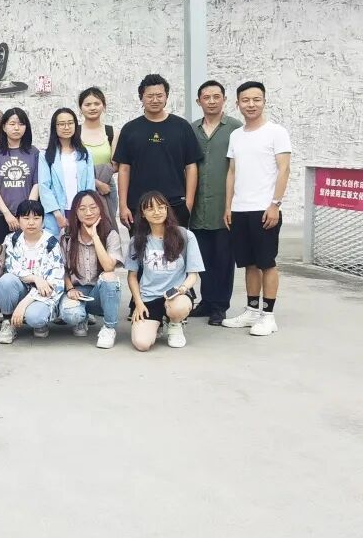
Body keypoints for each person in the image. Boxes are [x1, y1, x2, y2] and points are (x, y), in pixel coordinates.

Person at [221, 81, 292, 337]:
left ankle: (268, 315)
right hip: (240, 210)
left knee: (266, 263)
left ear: (264, 101)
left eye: (256, 99)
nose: (251, 104)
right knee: (249, 264)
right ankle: (252, 311)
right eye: (245, 100)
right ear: (238, 104)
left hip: (265, 209)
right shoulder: (236, 135)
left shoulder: (276, 132)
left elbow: (284, 169)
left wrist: (275, 204)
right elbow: (232, 172)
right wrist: (228, 206)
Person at [113, 74, 203, 229]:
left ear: (166, 97)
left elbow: (191, 167)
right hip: (139, 206)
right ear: (141, 97)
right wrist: (123, 206)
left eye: (159, 95)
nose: (155, 100)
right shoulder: (130, 129)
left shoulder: (182, 126)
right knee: (141, 244)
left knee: (176, 245)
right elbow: (124, 169)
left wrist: (188, 204)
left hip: (175, 204)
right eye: (150, 96)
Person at [189, 80, 242, 325]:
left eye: (216, 96)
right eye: (206, 97)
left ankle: (220, 306)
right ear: (198, 101)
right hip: (198, 207)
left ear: (224, 99)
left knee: (223, 260)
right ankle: (207, 302)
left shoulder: (236, 128)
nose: (211, 101)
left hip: (224, 206)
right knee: (202, 258)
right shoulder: (191, 129)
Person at [125, 191, 205, 351]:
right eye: (150, 209)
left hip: (176, 296)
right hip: (148, 297)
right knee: (142, 344)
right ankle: (159, 323)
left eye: (161, 207)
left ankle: (175, 324)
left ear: (167, 209)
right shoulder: (137, 240)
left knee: (179, 307)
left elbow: (193, 274)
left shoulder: (185, 236)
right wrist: (138, 303)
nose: (157, 212)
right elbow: (132, 276)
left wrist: (182, 289)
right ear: (143, 213)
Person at [58, 191, 123, 348]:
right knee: (72, 315)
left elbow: (108, 267)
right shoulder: (67, 234)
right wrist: (70, 288)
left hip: (100, 292)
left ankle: (109, 328)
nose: (88, 212)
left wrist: (95, 236)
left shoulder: (110, 234)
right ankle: (82, 317)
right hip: (77, 290)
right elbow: (61, 267)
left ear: (100, 209)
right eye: (82, 209)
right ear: (75, 212)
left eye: (93, 207)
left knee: (109, 276)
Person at [0, 200, 64, 343]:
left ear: (43, 221)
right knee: (6, 280)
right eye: (26, 218)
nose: (31, 223)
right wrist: (35, 278)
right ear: (18, 220)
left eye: (36, 218)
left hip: (42, 295)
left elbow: (53, 282)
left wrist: (23, 304)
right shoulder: (11, 240)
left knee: (35, 318)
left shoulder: (51, 243)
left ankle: (39, 323)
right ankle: (8, 321)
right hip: (20, 289)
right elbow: (12, 268)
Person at [0, 107, 40, 244]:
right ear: (4, 127)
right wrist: (7, 214)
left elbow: (37, 184)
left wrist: (26, 213)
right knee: (0, 253)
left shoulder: (34, 152)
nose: (16, 128)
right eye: (12, 124)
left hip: (27, 216)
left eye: (21, 124)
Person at [38, 107, 95, 236]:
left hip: (81, 210)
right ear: (55, 127)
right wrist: (57, 214)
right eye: (61, 124)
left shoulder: (85, 154)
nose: (66, 127)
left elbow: (90, 185)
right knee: (57, 244)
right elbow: (44, 186)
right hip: (57, 212)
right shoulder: (45, 155)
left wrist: (87, 209)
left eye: (70, 123)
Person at [77, 87, 119, 225]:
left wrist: (102, 181)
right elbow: (71, 164)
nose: (92, 108)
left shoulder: (112, 132)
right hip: (80, 186)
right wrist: (95, 182)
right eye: (87, 104)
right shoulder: (75, 133)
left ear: (103, 106)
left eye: (97, 103)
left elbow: (115, 165)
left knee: (108, 226)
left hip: (107, 187)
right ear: (81, 108)